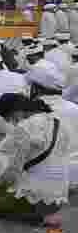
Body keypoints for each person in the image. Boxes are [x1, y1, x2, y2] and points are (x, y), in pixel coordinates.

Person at [0, 94, 69, 228]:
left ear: (16, 111)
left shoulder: (25, 127)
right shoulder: (61, 124)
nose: (13, 123)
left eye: (11, 119)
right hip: (58, 200)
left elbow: (14, 169)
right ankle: (46, 219)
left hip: (33, 198)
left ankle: (30, 214)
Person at [24, 61, 78, 191]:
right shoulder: (75, 108)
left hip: (48, 179)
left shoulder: (32, 113)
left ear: (35, 89)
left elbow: (20, 152)